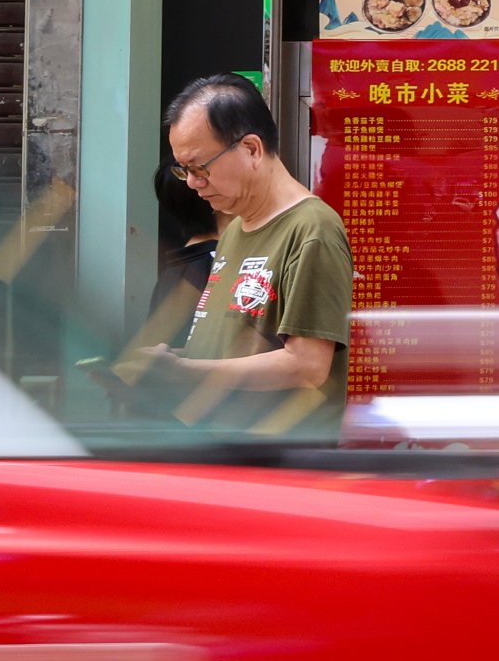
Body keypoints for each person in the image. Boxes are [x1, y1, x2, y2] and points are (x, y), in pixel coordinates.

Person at [152, 73, 354, 438]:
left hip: (276, 467)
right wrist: (170, 363)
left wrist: (183, 371)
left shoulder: (312, 230)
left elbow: (307, 367)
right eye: (185, 170)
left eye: (200, 167)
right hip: (221, 453)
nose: (194, 182)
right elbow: (235, 348)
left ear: (251, 149)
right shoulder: (235, 232)